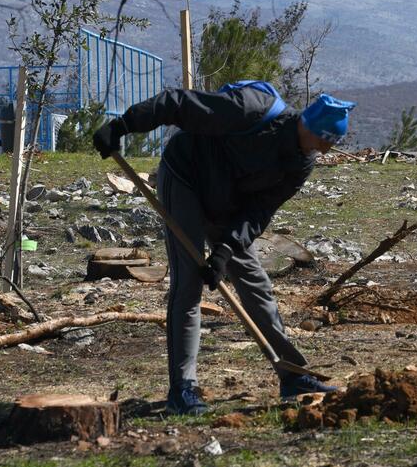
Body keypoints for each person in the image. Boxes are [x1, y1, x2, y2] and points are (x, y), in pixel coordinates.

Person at [92, 85, 356, 415]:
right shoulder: (251, 108)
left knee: (256, 285)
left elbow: (260, 210)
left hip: (226, 204)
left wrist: (225, 250)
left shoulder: (302, 163)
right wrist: (123, 125)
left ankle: (292, 375)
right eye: (325, 141)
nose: (326, 151)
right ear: (309, 127)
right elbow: (178, 103)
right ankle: (182, 389)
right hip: (185, 177)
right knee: (188, 283)